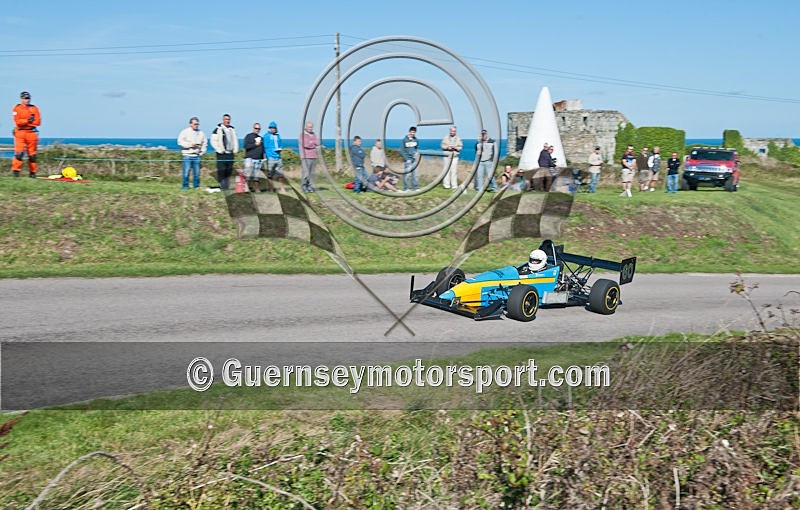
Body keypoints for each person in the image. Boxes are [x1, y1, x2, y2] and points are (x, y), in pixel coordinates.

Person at [11, 91, 41, 178]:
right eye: (25, 98)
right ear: (21, 99)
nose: (27, 100)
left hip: (31, 133)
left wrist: (27, 122)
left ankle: (32, 173)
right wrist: (28, 121)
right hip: (20, 132)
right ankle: (16, 173)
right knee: (19, 154)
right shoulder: (17, 108)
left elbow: (37, 122)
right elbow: (18, 122)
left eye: (28, 98)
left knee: (32, 155)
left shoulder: (34, 108)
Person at [176, 116, 207, 189]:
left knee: (197, 173)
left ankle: (196, 186)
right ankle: (185, 186)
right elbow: (180, 142)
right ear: (190, 124)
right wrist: (190, 145)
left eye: (197, 124)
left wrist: (202, 152)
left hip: (197, 155)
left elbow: (204, 143)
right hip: (187, 155)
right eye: (195, 124)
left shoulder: (201, 133)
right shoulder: (184, 132)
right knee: (186, 173)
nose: (196, 125)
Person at [210, 114, 238, 190]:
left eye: (228, 119)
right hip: (221, 154)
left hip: (230, 154)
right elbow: (213, 141)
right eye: (226, 119)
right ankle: (223, 187)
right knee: (222, 171)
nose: (227, 121)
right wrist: (219, 149)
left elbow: (235, 140)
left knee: (229, 171)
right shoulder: (218, 129)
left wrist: (235, 149)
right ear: (223, 120)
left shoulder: (232, 129)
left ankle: (227, 187)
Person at [264, 121, 287, 193]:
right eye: (272, 128)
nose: (273, 129)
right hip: (271, 157)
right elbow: (265, 147)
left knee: (281, 174)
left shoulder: (278, 136)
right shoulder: (266, 136)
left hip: (278, 157)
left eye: (274, 128)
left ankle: (282, 188)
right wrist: (267, 156)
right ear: (269, 128)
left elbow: (280, 144)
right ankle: (271, 189)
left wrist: (280, 149)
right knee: (270, 174)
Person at [243, 122, 264, 192]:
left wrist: (263, 158)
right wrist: (255, 144)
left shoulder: (261, 138)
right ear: (253, 128)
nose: (257, 130)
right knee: (248, 175)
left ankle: (257, 189)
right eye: (256, 128)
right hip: (250, 158)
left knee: (257, 176)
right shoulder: (248, 136)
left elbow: (262, 149)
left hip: (258, 159)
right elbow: (246, 146)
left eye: (259, 128)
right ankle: (246, 189)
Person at [300, 121, 320, 193]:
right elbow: (306, 145)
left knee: (312, 173)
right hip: (306, 157)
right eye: (309, 127)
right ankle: (304, 186)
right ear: (305, 127)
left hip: (314, 156)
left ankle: (310, 186)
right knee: (306, 173)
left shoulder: (314, 134)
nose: (310, 128)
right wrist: (313, 143)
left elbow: (318, 142)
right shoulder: (302, 135)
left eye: (311, 127)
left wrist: (312, 142)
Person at [400, 126, 419, 191]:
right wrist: (406, 159)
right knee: (407, 175)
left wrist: (416, 154)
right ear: (409, 132)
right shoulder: (404, 140)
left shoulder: (416, 139)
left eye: (414, 132)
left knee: (415, 174)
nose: (412, 133)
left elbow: (416, 148)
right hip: (408, 160)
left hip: (414, 160)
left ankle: (415, 187)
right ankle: (406, 188)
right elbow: (402, 150)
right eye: (412, 132)